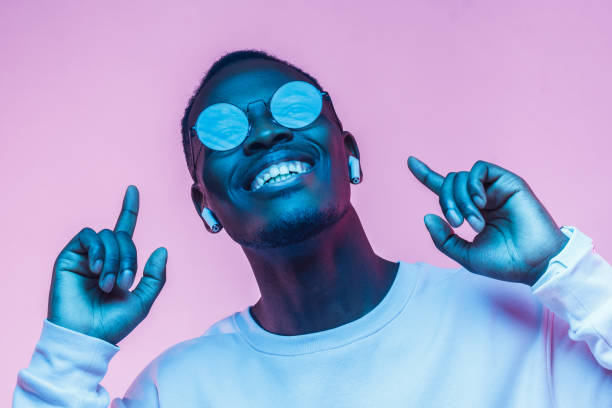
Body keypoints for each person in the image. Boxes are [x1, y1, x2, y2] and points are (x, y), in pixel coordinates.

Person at [13, 50, 612, 407]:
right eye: (222, 132)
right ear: (206, 208)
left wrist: (562, 266)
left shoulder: (530, 327)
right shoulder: (181, 389)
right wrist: (71, 350)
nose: (267, 134)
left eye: (293, 108)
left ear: (348, 154)